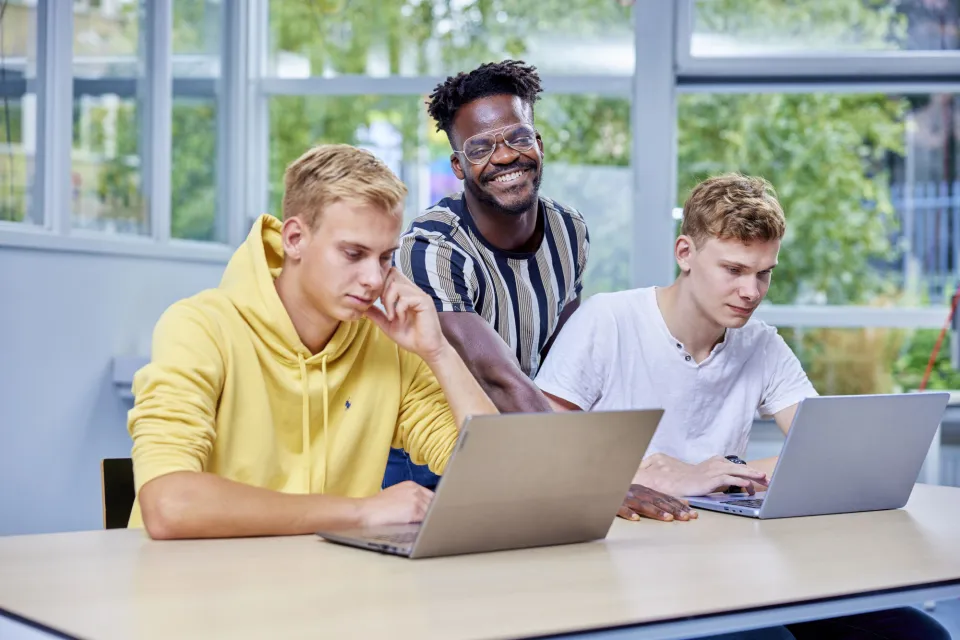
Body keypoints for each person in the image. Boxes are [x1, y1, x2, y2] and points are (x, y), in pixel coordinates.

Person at [536, 173, 949, 640]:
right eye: (733, 270)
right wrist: (650, 476)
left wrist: (726, 471)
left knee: (918, 634)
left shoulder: (761, 345)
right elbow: (541, 460)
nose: (751, 292)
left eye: (763, 273)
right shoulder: (607, 321)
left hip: (734, 562)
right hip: (632, 568)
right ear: (685, 254)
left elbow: (833, 456)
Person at [126, 144, 498, 540]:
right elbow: (169, 505)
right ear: (295, 238)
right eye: (354, 254)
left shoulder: (388, 347)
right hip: (192, 591)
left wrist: (438, 352)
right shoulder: (199, 328)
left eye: (386, 258)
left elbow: (497, 476)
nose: (374, 279)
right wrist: (360, 513)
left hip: (326, 587)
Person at [391, 59, 695, 523]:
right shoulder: (433, 247)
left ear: (539, 143)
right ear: (457, 165)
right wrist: (591, 476)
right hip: (432, 454)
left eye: (518, 137)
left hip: (527, 437)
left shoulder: (569, 230)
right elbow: (497, 378)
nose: (506, 156)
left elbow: (564, 360)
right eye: (480, 147)